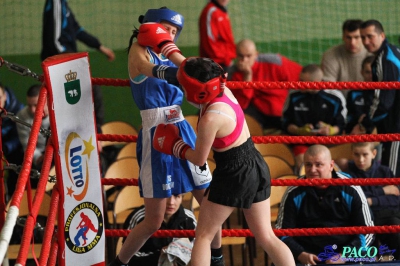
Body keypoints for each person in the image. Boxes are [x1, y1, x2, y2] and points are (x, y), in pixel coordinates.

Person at [153, 57, 296, 266]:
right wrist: (168, 48)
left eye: (185, 87)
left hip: (234, 172)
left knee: (203, 236)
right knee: (266, 235)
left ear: (197, 89)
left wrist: (174, 145)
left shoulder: (211, 118)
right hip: (256, 163)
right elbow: (192, 68)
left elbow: (199, 159)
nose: (183, 90)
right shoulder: (223, 90)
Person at [108, 8, 223, 266]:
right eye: (165, 29)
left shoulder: (171, 54)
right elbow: (147, 69)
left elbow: (187, 69)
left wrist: (201, 73)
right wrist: (179, 73)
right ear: (151, 27)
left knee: (211, 202)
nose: (169, 35)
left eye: (174, 32)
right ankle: (119, 263)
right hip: (155, 131)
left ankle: (217, 260)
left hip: (181, 126)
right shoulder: (139, 50)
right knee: (154, 220)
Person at [275, 144, 374, 265]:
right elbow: (282, 233)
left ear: (331, 165)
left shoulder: (350, 188)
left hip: (343, 254)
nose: (312, 170)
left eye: (318, 165)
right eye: (308, 165)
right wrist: (300, 254)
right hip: (306, 255)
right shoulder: (294, 191)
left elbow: (368, 231)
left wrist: (344, 256)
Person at [281, 64, 347, 170]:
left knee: (343, 164)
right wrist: (299, 130)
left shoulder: (335, 97)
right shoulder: (293, 96)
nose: (299, 83)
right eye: (300, 79)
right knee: (303, 165)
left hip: (330, 143)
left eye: (303, 82)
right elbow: (285, 123)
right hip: (303, 143)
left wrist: (330, 130)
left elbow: (342, 125)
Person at [228, 39, 303, 131]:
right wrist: (247, 76)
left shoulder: (274, 62)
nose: (245, 60)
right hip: (258, 111)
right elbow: (241, 104)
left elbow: (301, 76)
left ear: (256, 54)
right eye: (241, 56)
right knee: (238, 117)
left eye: (248, 56)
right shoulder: (233, 73)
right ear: (236, 55)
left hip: (281, 109)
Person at [360, 19, 400, 176]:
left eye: (370, 36)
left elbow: (384, 101)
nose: (366, 41)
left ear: (382, 35)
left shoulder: (386, 59)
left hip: (396, 128)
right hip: (393, 125)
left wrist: (366, 122)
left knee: (392, 177)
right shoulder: (392, 52)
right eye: (363, 37)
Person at [347, 142, 400, 260]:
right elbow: (356, 199)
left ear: (374, 153)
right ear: (352, 154)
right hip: (363, 218)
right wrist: (382, 191)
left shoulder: (385, 172)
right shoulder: (349, 175)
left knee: (395, 228)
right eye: (356, 154)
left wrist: (370, 200)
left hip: (387, 216)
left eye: (365, 154)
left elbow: (395, 199)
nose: (361, 159)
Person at [123, 194, 197, 266]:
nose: (171, 202)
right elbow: (127, 257)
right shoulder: (139, 218)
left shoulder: (188, 218)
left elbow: (196, 252)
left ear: (182, 198)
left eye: (177, 196)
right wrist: (161, 255)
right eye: (166, 196)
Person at [41, 0, 115, 62]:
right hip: (59, 62)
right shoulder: (56, 3)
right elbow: (54, 40)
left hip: (65, 59)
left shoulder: (63, 5)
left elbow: (77, 30)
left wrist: (99, 46)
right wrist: (68, 58)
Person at [321, 19, 372, 97]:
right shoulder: (330, 55)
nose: (352, 42)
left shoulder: (372, 55)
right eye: (348, 37)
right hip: (340, 102)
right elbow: (328, 88)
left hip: (368, 101)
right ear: (343, 37)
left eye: (356, 37)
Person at [16, 84, 50, 172]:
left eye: (36, 105)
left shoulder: (58, 113)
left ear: (47, 100)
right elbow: (27, 145)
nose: (32, 110)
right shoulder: (22, 116)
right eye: (29, 105)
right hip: (39, 156)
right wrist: (38, 157)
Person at [0, 82, 25, 201]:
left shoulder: (18, 111)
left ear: (5, 95)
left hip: (13, 151)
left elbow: (19, 137)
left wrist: (6, 147)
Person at [199, 0, 236, 71]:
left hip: (225, 61)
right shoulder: (211, 12)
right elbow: (209, 44)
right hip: (216, 64)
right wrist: (226, 59)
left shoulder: (222, 11)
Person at [345, 55, 376, 135]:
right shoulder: (353, 93)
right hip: (356, 133)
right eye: (367, 72)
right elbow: (349, 118)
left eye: (374, 72)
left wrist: (364, 122)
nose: (371, 76)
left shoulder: (386, 93)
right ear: (361, 72)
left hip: (377, 134)